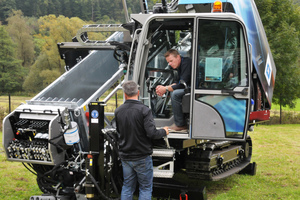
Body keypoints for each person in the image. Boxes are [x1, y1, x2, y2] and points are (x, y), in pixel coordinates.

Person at [115, 80, 169, 200]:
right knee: (145, 188)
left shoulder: (118, 111)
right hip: (142, 156)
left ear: (125, 94)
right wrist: (164, 131)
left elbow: (119, 131)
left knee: (127, 186)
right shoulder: (145, 110)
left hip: (126, 156)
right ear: (138, 92)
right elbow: (152, 133)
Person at [156, 49, 192, 131]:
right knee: (174, 91)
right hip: (188, 87)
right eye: (168, 62)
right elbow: (177, 82)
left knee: (175, 94)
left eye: (171, 61)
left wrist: (165, 89)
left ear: (178, 57)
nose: (170, 64)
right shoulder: (180, 65)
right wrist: (164, 88)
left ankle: (180, 124)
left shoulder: (186, 63)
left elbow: (182, 84)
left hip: (194, 88)